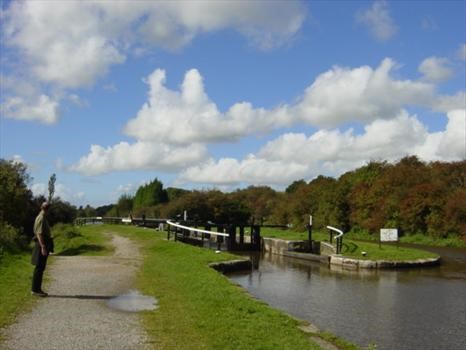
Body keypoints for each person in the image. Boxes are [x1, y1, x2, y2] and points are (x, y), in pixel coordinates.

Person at [31, 201, 54, 297]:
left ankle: (36, 289)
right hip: (41, 244)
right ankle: (36, 290)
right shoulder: (41, 218)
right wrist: (43, 247)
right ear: (46, 209)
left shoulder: (41, 217)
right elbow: (39, 234)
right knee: (39, 268)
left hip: (42, 244)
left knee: (40, 267)